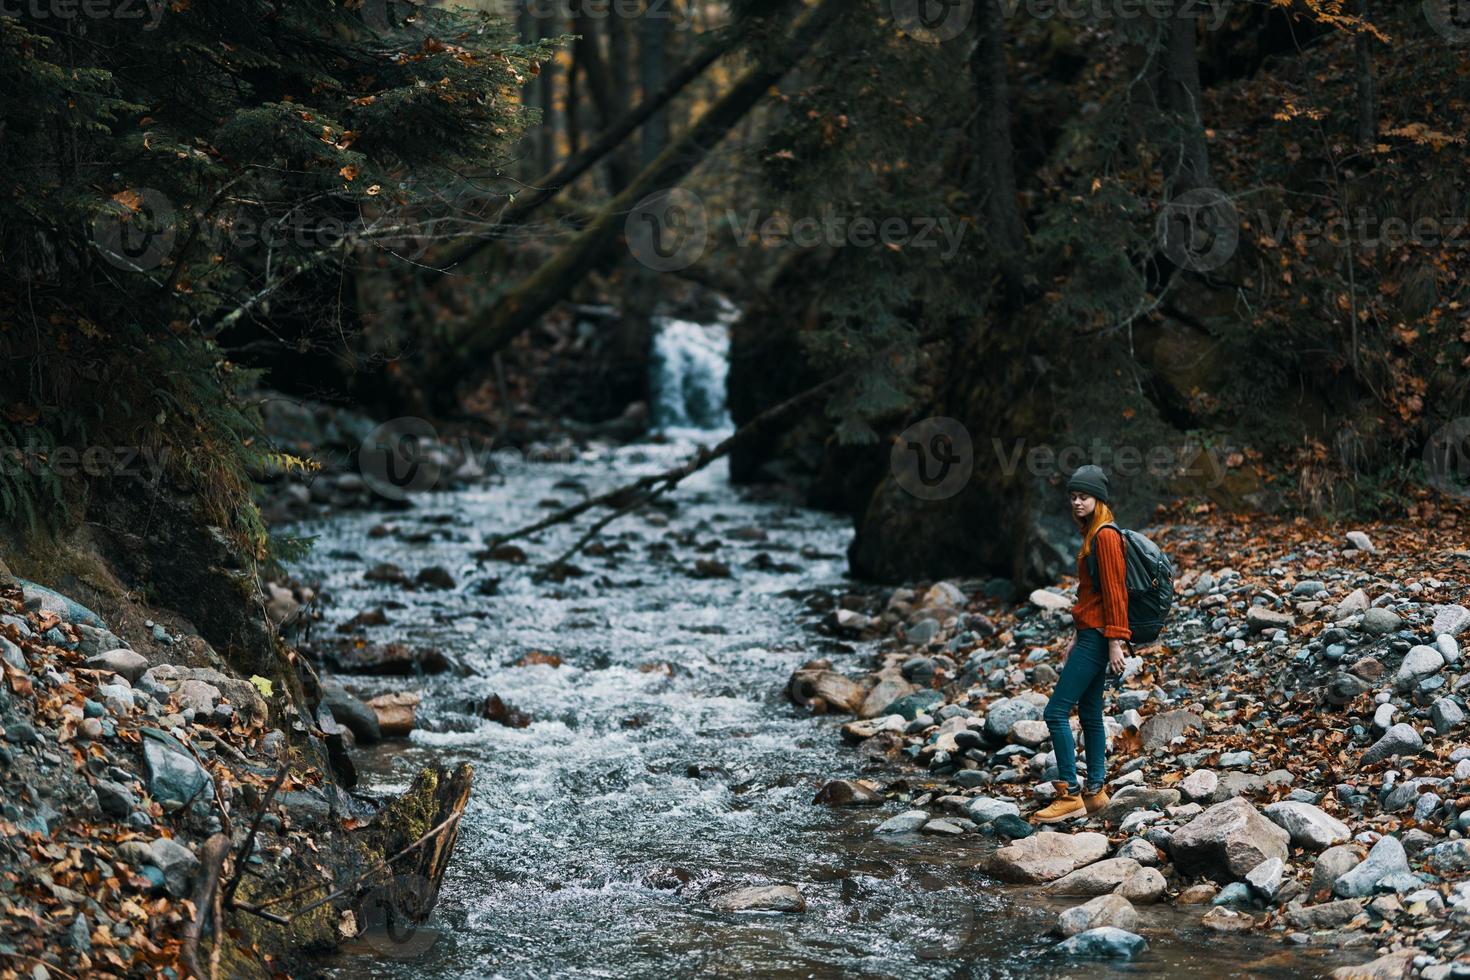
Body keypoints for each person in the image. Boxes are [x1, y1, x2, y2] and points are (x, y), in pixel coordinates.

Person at [1033, 464, 1130, 824]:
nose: (1076, 502)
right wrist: (1076, 636)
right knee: (1089, 714)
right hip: (1089, 635)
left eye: (1083, 496)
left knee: (1056, 712)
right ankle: (1096, 793)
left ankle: (1070, 793)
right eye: (1073, 496)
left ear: (1098, 499)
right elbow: (1091, 594)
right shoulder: (1093, 534)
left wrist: (1115, 642)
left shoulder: (1105, 536)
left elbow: (1116, 592)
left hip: (1100, 637)